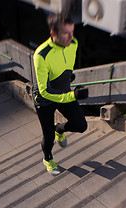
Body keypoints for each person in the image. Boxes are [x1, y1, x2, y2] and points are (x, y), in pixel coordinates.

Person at [33, 14, 89, 175]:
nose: (71, 37)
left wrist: (68, 76)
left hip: (63, 92)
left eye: (72, 31)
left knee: (81, 125)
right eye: (66, 33)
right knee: (48, 136)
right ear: (53, 34)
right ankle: (48, 158)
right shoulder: (41, 55)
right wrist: (73, 95)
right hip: (44, 100)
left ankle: (60, 129)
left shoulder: (74, 43)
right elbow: (44, 90)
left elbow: (67, 64)